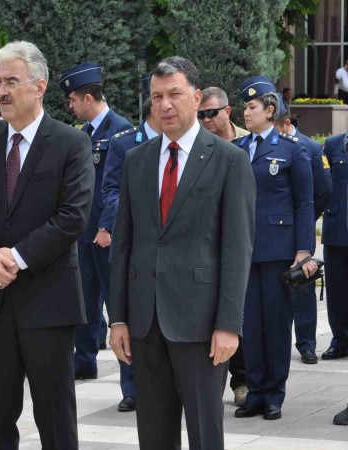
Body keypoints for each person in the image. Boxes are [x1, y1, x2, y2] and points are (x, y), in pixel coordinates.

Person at [108, 56, 255, 450]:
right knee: (153, 434)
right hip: (145, 320)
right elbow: (124, 243)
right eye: (157, 96)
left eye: (174, 94)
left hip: (202, 323)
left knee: (206, 433)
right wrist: (118, 317)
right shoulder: (136, 160)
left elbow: (237, 248)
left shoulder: (230, 161)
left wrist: (229, 324)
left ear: (195, 96)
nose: (165, 104)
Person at [0, 40, 94, 450]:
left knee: (54, 415)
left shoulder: (70, 142)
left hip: (48, 301)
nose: (1, 91)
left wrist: (13, 259)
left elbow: (73, 216)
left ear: (39, 86)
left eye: (11, 81)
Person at [233, 76, 316, 421]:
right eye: (245, 107)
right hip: (244, 251)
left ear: (270, 110)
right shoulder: (237, 151)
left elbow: (304, 203)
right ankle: (254, 391)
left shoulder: (290, 150)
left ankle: (273, 395)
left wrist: (303, 250)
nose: (246, 113)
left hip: (279, 251)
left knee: (276, 325)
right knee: (250, 325)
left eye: (252, 107)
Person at [58, 62, 131, 382]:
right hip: (84, 231)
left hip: (108, 234)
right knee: (84, 298)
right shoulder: (85, 134)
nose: (71, 107)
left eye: (73, 100)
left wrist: (108, 227)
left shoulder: (121, 130)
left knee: (118, 302)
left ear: (89, 98)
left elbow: (120, 189)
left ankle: (130, 371)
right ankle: (84, 358)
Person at [101, 73, 160, 413]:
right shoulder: (125, 142)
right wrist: (132, 214)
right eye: (157, 96)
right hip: (132, 244)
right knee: (125, 314)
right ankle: (131, 386)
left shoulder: (182, 141)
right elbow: (109, 190)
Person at [198, 86, 250, 406]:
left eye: (211, 114)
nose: (205, 120)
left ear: (227, 112)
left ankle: (242, 381)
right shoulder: (197, 147)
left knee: (238, 314)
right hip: (206, 243)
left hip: (241, 240)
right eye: (200, 115)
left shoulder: (247, 143)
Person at [274, 94, 332, 365]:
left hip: (301, 227)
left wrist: (306, 221)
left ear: (285, 123)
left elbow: (323, 191)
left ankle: (307, 344)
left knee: (303, 287)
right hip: (274, 230)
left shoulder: (309, 147)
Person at [323, 130, 348, 426]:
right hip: (338, 235)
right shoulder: (333, 144)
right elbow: (322, 187)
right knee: (339, 303)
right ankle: (340, 338)